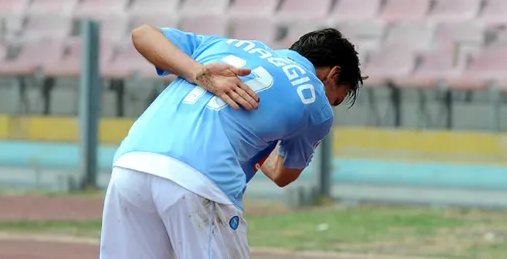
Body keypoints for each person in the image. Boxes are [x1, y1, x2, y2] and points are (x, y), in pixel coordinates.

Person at [99, 25, 364, 259]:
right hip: (201, 178)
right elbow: (283, 174)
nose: (331, 104)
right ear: (332, 75)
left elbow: (143, 33)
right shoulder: (316, 104)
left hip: (132, 161)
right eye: (336, 98)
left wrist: (199, 72)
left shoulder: (227, 45)